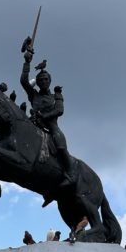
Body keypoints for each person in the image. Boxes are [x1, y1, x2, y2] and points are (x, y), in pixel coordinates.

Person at [20, 41, 72, 197]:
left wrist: (45, 116)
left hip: (51, 127)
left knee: (60, 145)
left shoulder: (56, 96)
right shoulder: (34, 95)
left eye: (45, 79)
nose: (43, 82)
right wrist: (27, 62)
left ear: (49, 81)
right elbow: (23, 81)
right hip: (35, 126)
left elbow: (59, 110)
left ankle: (70, 173)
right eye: (40, 80)